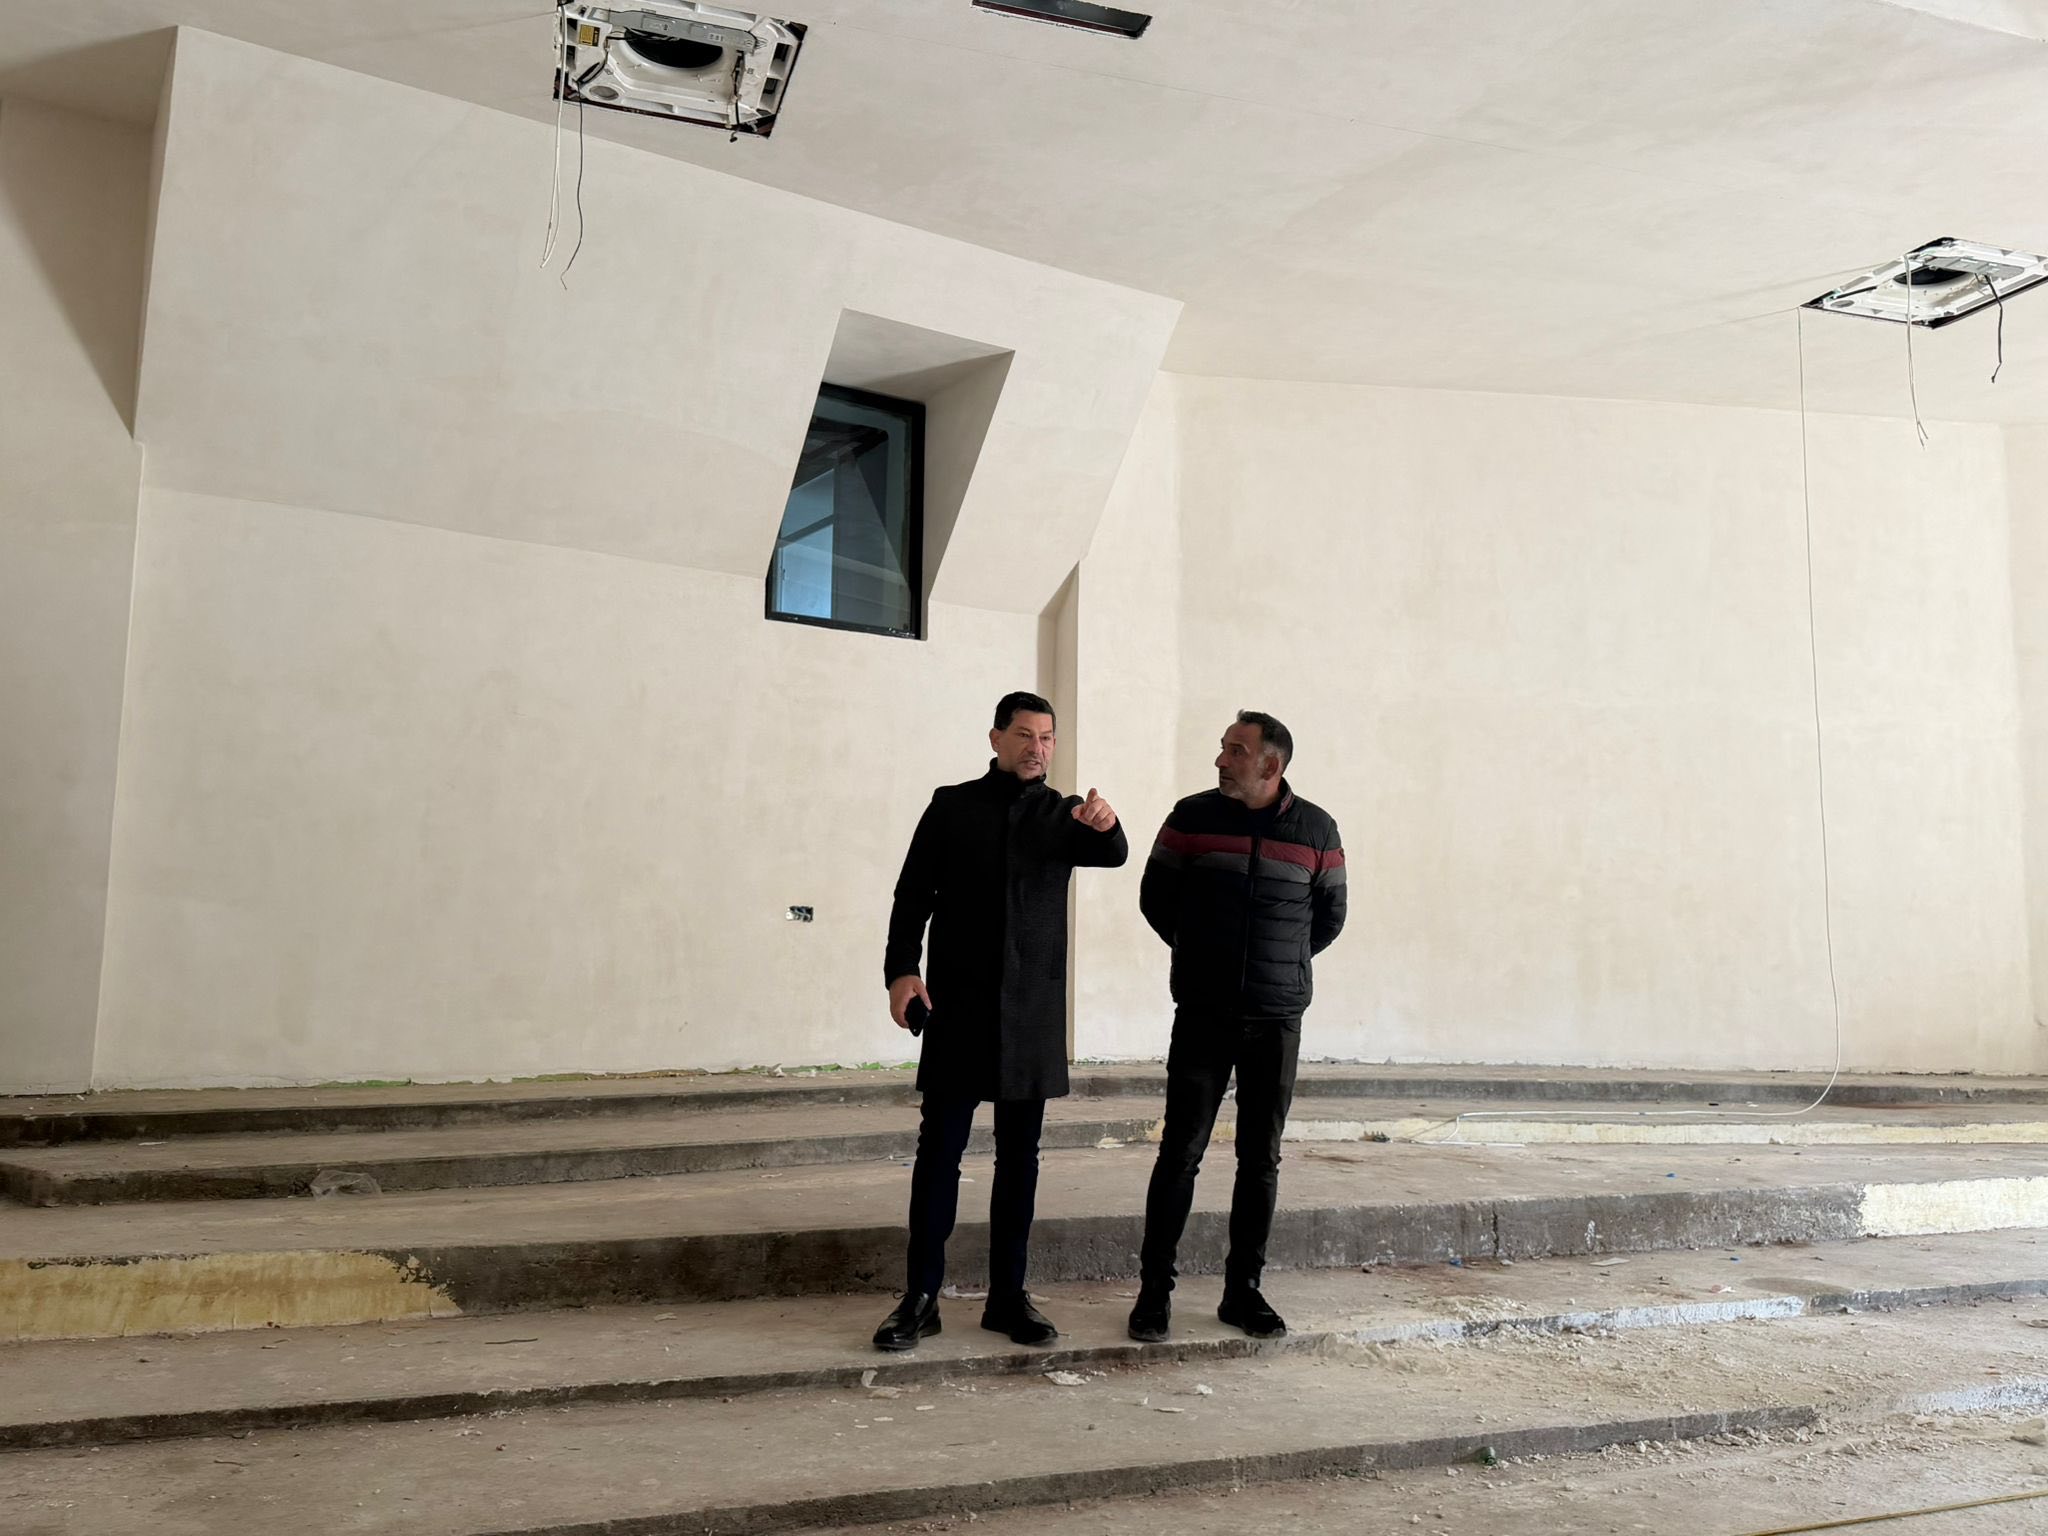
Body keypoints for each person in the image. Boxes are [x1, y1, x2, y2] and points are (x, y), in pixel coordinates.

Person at [873, 691, 1127, 1352]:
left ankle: (1008, 1299)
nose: (1037, 748)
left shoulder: (1063, 815)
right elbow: (912, 894)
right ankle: (920, 1298)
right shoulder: (952, 806)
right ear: (995, 738)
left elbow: (1114, 854)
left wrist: (1106, 824)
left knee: (1020, 1159)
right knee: (939, 1152)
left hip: (1032, 1012)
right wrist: (901, 971)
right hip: (958, 1005)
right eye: (1023, 735)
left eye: (1047, 738)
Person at [1127, 710, 1346, 1343]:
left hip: (1276, 1020)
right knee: (1180, 1154)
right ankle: (1154, 1294)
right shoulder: (1191, 817)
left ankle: (1242, 1293)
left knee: (1260, 1159)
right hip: (1204, 1012)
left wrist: (1282, 966)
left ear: (1270, 765)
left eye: (1235, 750)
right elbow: (1155, 898)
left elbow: (1329, 916)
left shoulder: (1318, 829)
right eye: (1223, 748)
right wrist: (1201, 956)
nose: (1221, 760)